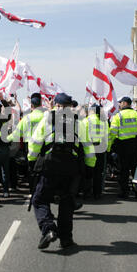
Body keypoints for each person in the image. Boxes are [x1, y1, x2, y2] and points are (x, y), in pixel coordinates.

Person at [28, 93, 96, 249]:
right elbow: (89, 149)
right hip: (71, 168)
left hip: (50, 165)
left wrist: (32, 162)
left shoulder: (47, 119)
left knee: (39, 199)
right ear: (70, 106)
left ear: (57, 106)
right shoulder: (79, 122)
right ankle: (66, 239)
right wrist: (90, 168)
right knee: (66, 203)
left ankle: (48, 230)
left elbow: (35, 144)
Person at [108, 97, 137, 199]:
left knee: (123, 170)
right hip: (135, 146)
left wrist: (109, 146)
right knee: (136, 170)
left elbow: (112, 132)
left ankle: (124, 192)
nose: (120, 104)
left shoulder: (118, 116)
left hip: (122, 146)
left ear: (125, 103)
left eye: (121, 102)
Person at [81, 104, 108, 200]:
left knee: (87, 171)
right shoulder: (103, 122)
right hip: (100, 148)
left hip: (88, 148)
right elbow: (106, 136)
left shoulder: (86, 121)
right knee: (98, 172)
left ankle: (87, 192)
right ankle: (97, 193)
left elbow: (82, 136)